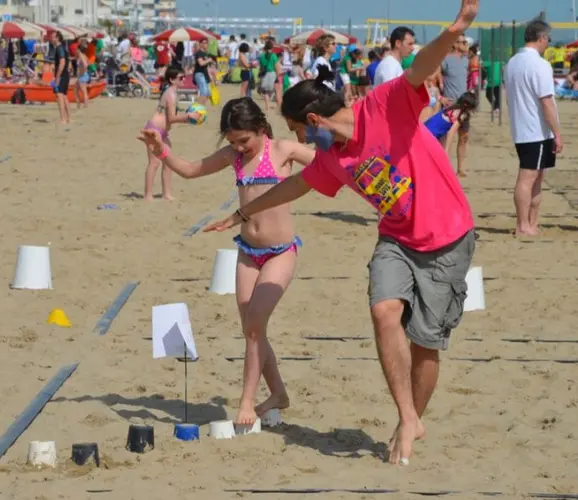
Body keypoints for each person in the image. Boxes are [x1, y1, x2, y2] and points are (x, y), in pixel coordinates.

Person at [204, 0, 479, 466]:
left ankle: (407, 423)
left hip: (449, 236)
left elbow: (420, 68)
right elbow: (294, 184)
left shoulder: (382, 105)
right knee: (382, 310)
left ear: (313, 121)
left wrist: (455, 28)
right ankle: (408, 416)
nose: (305, 143)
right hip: (396, 238)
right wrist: (238, 214)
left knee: (425, 344)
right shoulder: (332, 160)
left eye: (300, 132)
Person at [137, 97, 316, 425]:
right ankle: (278, 393)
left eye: (244, 140)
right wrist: (161, 150)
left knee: (253, 327)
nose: (239, 147)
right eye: (232, 141)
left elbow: (328, 164)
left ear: (261, 129)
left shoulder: (284, 150)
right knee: (252, 328)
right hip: (248, 252)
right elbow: (192, 170)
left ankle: (246, 403)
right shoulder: (234, 155)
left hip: (280, 252)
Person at [505, 20, 562, 237]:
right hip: (535, 130)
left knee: (537, 177)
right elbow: (546, 102)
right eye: (548, 39)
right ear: (541, 38)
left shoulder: (512, 63)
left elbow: (510, 100)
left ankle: (531, 223)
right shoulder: (539, 65)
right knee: (528, 178)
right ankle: (522, 225)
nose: (549, 43)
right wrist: (557, 133)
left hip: (525, 128)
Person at [141, 67, 202, 201]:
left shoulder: (172, 93)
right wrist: (188, 117)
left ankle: (166, 194)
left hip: (162, 132)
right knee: (154, 163)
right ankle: (148, 195)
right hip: (154, 131)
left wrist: (188, 119)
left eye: (184, 77)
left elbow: (171, 118)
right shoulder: (170, 94)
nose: (184, 80)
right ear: (171, 79)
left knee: (168, 162)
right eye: (181, 78)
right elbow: (172, 118)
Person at [441, 34, 470, 177]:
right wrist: (441, 96)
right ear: (455, 44)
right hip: (451, 104)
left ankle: (461, 168)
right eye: (463, 42)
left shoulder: (465, 60)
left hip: (464, 104)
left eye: (465, 41)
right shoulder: (446, 60)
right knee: (448, 137)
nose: (465, 44)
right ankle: (446, 167)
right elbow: (434, 76)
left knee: (464, 136)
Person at [51, 30, 71, 125]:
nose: (51, 38)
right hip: (66, 74)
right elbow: (68, 61)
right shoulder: (63, 48)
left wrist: (57, 77)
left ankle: (63, 119)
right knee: (64, 96)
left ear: (57, 38)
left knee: (59, 96)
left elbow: (62, 63)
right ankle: (68, 119)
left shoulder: (59, 48)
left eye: (53, 36)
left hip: (62, 74)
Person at [193, 38, 211, 105]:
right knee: (204, 93)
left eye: (207, 42)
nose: (206, 44)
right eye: (204, 43)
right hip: (199, 74)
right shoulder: (199, 53)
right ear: (200, 44)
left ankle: (201, 107)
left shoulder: (205, 53)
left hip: (204, 74)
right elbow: (201, 63)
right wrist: (209, 60)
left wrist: (211, 76)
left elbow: (206, 67)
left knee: (208, 93)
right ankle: (198, 108)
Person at [74, 43, 89, 109]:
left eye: (77, 49)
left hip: (82, 75)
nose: (76, 50)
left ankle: (85, 105)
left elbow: (86, 64)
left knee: (84, 91)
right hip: (82, 75)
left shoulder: (81, 56)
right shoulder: (82, 55)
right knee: (76, 89)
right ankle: (79, 104)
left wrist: (82, 71)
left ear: (79, 49)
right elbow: (88, 62)